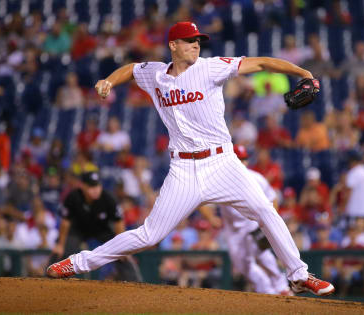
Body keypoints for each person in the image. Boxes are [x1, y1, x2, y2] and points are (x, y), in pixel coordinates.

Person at [47, 22, 334, 296]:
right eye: (190, 41)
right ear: (173, 45)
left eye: (198, 41)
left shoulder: (211, 68)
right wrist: (109, 80)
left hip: (222, 163)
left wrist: (302, 71)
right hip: (183, 168)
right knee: (149, 235)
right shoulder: (156, 73)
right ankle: (77, 263)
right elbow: (132, 70)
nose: (196, 45)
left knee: (264, 209)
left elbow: (260, 62)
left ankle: (298, 274)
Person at [199, 144, 291, 295]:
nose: (242, 162)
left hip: (254, 224)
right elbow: (201, 202)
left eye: (244, 159)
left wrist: (270, 220)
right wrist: (210, 217)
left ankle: (282, 287)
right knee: (242, 265)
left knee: (263, 255)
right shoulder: (221, 182)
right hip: (234, 232)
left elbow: (273, 198)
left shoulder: (256, 178)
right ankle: (266, 289)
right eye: (239, 159)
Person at [49, 171, 141, 281]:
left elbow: (118, 222)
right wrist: (60, 244)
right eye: (91, 186)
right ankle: (50, 280)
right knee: (61, 250)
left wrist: (123, 246)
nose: (95, 190)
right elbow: (65, 222)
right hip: (78, 230)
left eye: (97, 185)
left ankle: (135, 282)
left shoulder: (108, 198)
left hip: (101, 230)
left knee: (121, 252)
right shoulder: (74, 196)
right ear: (82, 186)